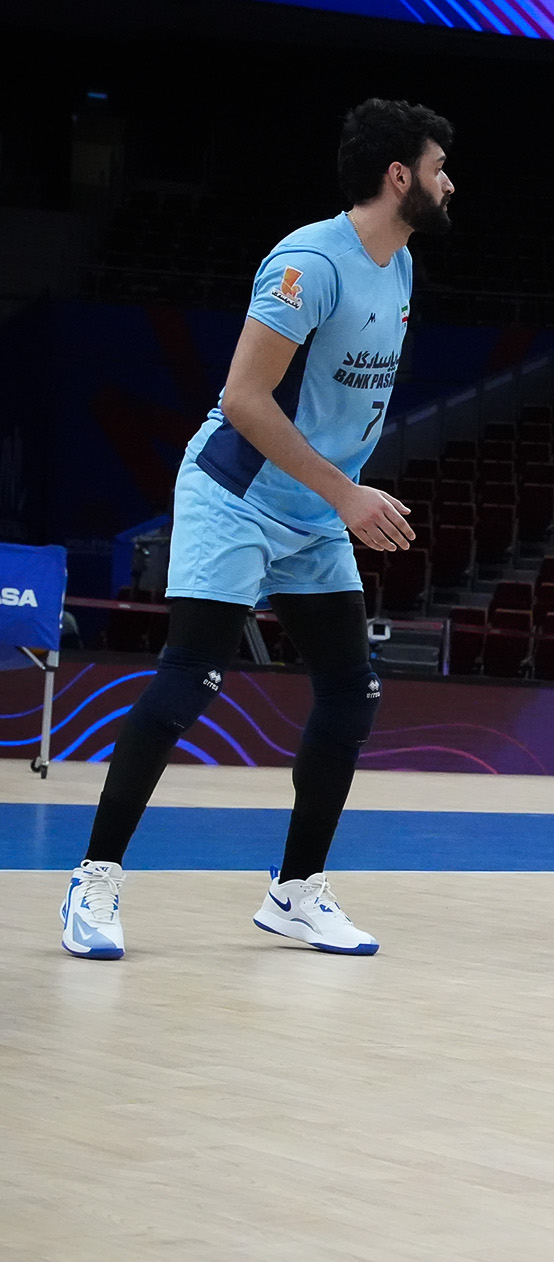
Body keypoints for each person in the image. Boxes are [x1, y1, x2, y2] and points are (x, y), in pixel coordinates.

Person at [57, 99, 455, 960]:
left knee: (352, 691)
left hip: (311, 510)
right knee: (189, 680)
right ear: (399, 177)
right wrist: (348, 496)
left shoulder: (401, 265)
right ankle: (94, 878)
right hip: (235, 495)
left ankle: (295, 892)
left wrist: (333, 498)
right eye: (437, 168)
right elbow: (243, 399)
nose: (448, 182)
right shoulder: (309, 263)